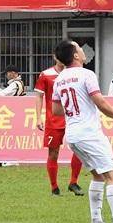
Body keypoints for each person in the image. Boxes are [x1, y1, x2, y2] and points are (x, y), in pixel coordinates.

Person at [51, 40, 113, 223]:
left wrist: (75, 110)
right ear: (76, 55)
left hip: (73, 135)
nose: (82, 51)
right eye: (79, 48)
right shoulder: (87, 74)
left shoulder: (59, 79)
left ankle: (96, 221)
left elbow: (56, 110)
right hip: (89, 134)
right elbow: (100, 102)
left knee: (98, 175)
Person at [34, 58, 85, 196]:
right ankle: (54, 187)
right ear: (55, 57)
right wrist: (39, 117)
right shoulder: (46, 74)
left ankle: (73, 182)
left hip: (73, 119)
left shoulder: (75, 74)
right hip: (53, 120)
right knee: (53, 153)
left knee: (79, 149)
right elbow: (39, 96)